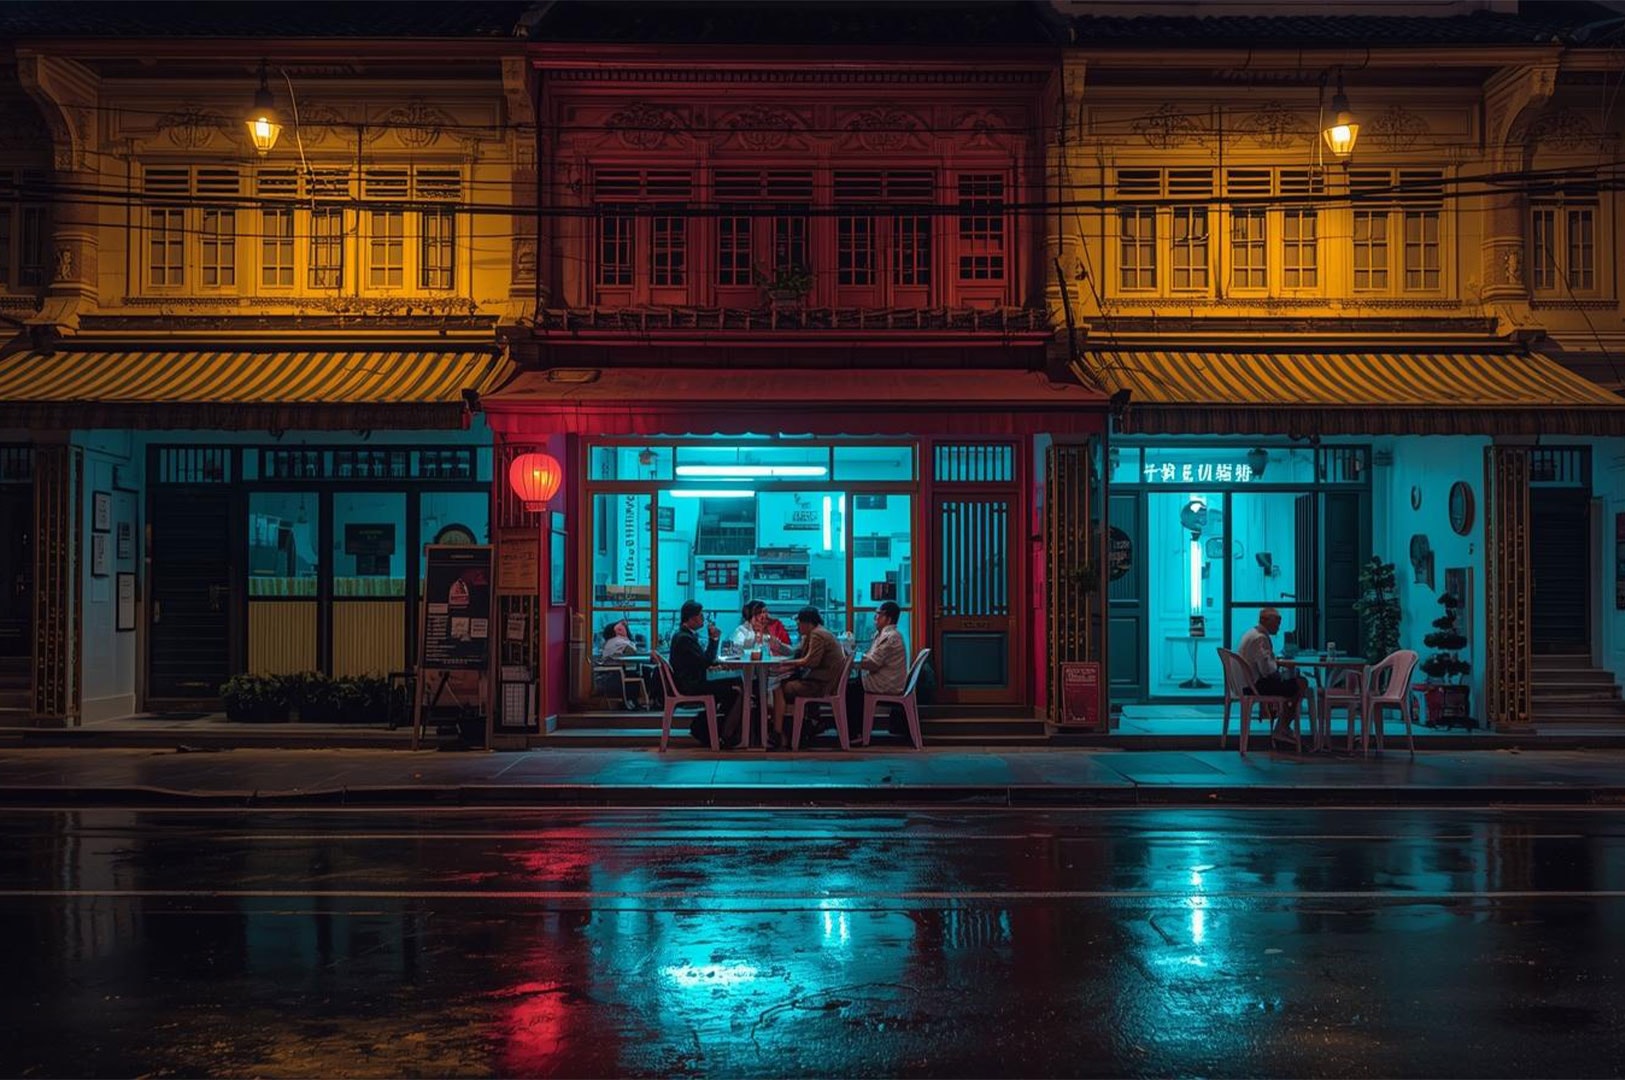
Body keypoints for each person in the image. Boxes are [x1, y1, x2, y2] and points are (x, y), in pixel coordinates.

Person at [668, 600, 742, 746]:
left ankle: (722, 730)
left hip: (691, 681)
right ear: (691, 618)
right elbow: (706, 661)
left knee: (735, 684)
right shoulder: (685, 639)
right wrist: (714, 640)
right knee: (738, 689)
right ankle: (726, 733)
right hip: (692, 685)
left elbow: (701, 662)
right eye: (700, 615)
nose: (703, 618)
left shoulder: (684, 636)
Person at [770, 606, 845, 749]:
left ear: (807, 623)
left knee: (778, 686)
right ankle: (797, 727)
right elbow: (794, 651)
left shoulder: (817, 635)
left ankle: (779, 732)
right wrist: (779, 646)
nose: (797, 626)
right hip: (825, 681)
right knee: (780, 684)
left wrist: (784, 663)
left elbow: (810, 661)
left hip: (822, 684)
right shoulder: (814, 633)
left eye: (799, 623)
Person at [1237, 607, 1309, 743]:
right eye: (1276, 622)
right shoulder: (1260, 639)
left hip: (1246, 683)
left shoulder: (1251, 633)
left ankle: (1282, 724)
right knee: (1300, 683)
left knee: (1291, 681)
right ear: (1265, 621)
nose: (1278, 626)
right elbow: (1267, 671)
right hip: (1254, 685)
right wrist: (1279, 667)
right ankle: (1283, 726)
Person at [846, 601, 908, 739]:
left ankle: (855, 733)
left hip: (886, 683)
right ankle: (854, 731)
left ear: (888, 618)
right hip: (882, 679)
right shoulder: (883, 635)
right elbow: (872, 658)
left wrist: (852, 659)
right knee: (851, 685)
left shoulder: (890, 637)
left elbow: (873, 663)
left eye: (878, 615)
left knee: (849, 689)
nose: (875, 618)